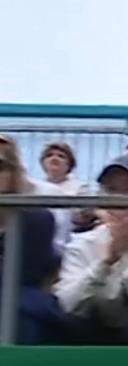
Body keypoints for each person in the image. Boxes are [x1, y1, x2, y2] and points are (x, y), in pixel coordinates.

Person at [54, 156, 128, 344]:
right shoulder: (81, 243)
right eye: (112, 190)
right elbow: (66, 303)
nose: (120, 198)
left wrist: (127, 255)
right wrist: (105, 263)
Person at [0, 136, 61, 344]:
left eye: (0, 166)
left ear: (14, 172)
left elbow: (24, 276)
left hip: (20, 302)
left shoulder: (38, 220)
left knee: (26, 319)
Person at [34, 140, 92, 248]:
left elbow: (83, 217)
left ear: (69, 164)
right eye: (49, 155)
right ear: (43, 163)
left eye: (61, 156)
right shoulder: (35, 188)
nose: (54, 158)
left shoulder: (81, 188)